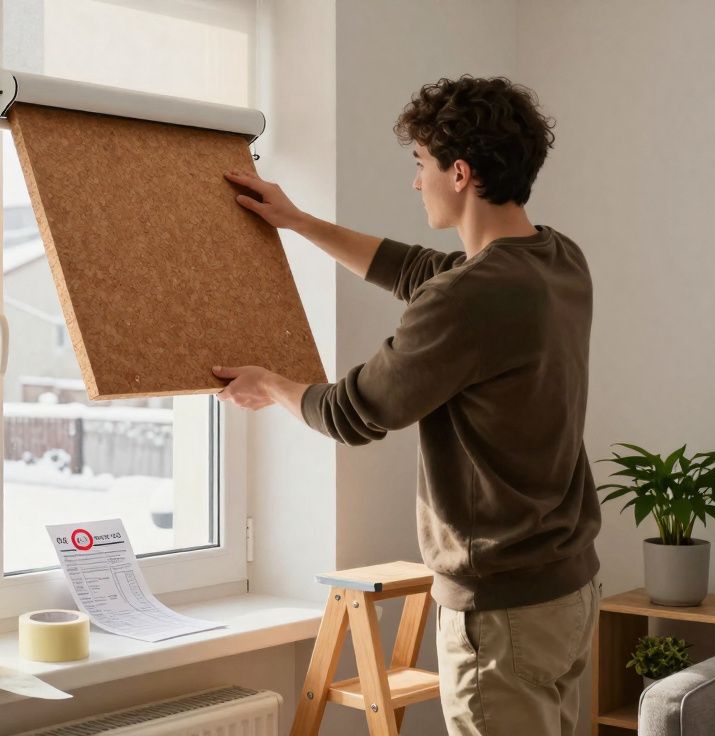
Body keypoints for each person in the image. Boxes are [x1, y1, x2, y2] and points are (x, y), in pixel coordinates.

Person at [213, 75, 601, 736]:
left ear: (459, 172)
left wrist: (271, 386)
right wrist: (298, 222)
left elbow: (352, 413)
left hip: (501, 611)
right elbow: (424, 270)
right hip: (564, 590)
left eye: (420, 165)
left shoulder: (470, 299)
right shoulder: (557, 259)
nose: (414, 182)